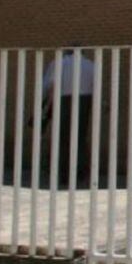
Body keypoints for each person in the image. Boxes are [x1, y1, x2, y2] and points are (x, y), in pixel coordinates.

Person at [41, 46, 95, 183]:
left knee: (62, 139)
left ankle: (63, 173)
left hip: (63, 101)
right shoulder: (91, 65)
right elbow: (96, 86)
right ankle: (80, 173)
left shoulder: (59, 63)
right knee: (80, 138)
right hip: (85, 101)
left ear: (67, 51)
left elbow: (48, 85)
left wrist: (44, 105)